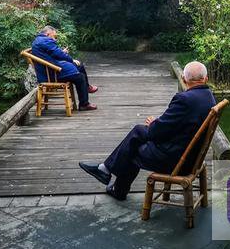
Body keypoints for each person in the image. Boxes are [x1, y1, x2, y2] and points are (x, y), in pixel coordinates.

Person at [79, 61, 215, 200]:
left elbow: (156, 133)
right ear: (206, 78)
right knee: (136, 137)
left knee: (132, 147)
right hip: (193, 157)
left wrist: (154, 124)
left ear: (184, 79)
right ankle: (109, 176)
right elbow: (177, 125)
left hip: (177, 161)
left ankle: (113, 181)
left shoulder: (184, 99)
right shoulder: (209, 96)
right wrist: (157, 124)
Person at [31, 25, 98, 111]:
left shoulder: (39, 40)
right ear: (48, 34)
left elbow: (52, 54)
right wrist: (71, 60)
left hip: (48, 72)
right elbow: (58, 54)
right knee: (80, 77)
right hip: (52, 74)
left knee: (80, 66)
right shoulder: (45, 41)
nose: (55, 39)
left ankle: (87, 87)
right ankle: (84, 104)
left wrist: (63, 53)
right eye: (54, 36)